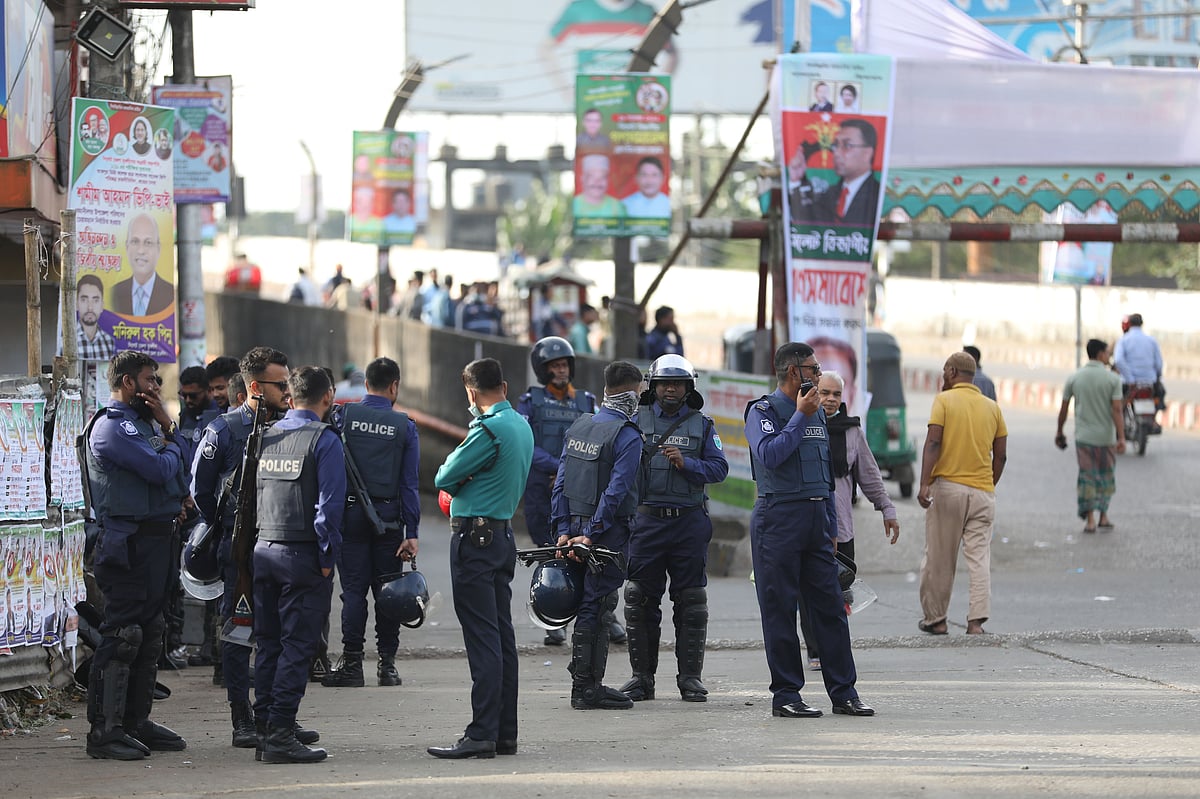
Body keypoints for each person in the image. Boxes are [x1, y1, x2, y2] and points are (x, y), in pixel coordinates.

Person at [190, 347, 319, 750]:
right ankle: (241, 716)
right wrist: (229, 528)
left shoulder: (290, 427)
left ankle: (276, 716)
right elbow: (201, 490)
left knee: (280, 634)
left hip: (279, 544)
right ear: (253, 387)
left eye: (287, 383)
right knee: (238, 632)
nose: (286, 391)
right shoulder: (226, 430)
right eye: (279, 385)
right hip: (240, 546)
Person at [743, 343, 874, 719]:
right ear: (792, 372)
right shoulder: (763, 411)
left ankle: (844, 693)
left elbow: (826, 476)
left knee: (831, 609)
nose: (819, 375)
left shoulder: (816, 413)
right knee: (780, 609)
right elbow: (769, 454)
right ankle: (786, 695)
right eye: (813, 369)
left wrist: (831, 526)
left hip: (817, 521)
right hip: (778, 517)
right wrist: (800, 416)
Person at [83, 351, 189, 760]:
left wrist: (168, 433)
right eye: (150, 380)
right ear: (128, 383)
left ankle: (134, 721)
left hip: (157, 540)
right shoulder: (114, 428)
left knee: (150, 632)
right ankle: (104, 731)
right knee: (123, 634)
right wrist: (169, 443)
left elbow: (178, 475)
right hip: (128, 542)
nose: (157, 388)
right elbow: (162, 470)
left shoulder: (147, 425)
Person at [429, 358, 533, 759]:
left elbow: (443, 477)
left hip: (476, 539)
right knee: (502, 637)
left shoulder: (487, 429)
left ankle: (481, 733)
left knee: (483, 639)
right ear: (503, 387)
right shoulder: (521, 425)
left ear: (471, 393)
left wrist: (464, 480)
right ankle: (504, 732)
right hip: (502, 534)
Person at [621, 355, 728, 704]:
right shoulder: (634, 421)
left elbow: (719, 469)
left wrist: (688, 464)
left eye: (678, 383)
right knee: (639, 599)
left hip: (688, 522)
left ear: (688, 388)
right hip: (647, 522)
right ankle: (641, 679)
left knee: (692, 601)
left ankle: (690, 680)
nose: (671, 389)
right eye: (665, 383)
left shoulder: (703, 425)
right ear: (652, 386)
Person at [252, 366, 344, 763]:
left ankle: (268, 727)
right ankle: (279, 735)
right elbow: (329, 509)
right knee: (298, 648)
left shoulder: (267, 435)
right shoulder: (325, 441)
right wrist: (327, 560)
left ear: (290, 395)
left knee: (269, 644)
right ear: (328, 397)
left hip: (264, 550)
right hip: (302, 556)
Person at [551, 360, 645, 711]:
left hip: (575, 526)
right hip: (605, 532)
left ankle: (583, 680)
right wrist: (592, 535)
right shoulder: (627, 435)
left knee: (585, 604)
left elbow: (561, 481)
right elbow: (617, 492)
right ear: (630, 395)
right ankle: (588, 687)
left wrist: (564, 530)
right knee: (599, 604)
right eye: (638, 393)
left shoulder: (581, 425)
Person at [322, 358, 421, 688]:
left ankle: (352, 664)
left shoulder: (342, 417)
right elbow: (409, 484)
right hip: (389, 522)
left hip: (348, 519)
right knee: (389, 592)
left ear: (366, 385)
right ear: (394, 386)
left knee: (353, 593)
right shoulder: (404, 426)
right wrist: (413, 532)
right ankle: (387, 666)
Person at [800, 371, 899, 669]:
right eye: (825, 392)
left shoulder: (852, 431)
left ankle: (834, 645)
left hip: (840, 528)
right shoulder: (799, 424)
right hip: (805, 524)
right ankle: (816, 649)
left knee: (838, 591)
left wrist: (887, 508)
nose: (830, 399)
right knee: (806, 593)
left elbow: (869, 476)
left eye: (836, 395)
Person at [916, 352, 1007, 636]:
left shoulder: (943, 401)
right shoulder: (993, 408)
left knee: (940, 558)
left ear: (954, 372)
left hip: (949, 490)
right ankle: (976, 622)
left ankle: (937, 620)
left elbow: (933, 442)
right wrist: (987, 484)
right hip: (983, 492)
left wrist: (924, 484)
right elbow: (1001, 456)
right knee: (979, 558)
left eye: (945, 372)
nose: (943, 377)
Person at [517, 337, 598, 646]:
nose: (562, 371)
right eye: (555, 366)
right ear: (543, 370)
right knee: (551, 551)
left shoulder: (586, 401)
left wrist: (568, 472)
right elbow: (525, 444)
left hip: (578, 489)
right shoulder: (530, 401)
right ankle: (553, 618)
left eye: (565, 365)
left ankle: (599, 616)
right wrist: (557, 467)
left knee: (586, 552)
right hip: (542, 489)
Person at [1056, 339, 1125, 533]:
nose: (1109, 356)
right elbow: (1117, 410)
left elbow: (1063, 409)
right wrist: (1121, 438)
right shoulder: (1113, 379)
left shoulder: (1075, 377)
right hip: (1106, 438)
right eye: (1107, 353)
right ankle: (1103, 516)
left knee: (1087, 477)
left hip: (1084, 438)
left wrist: (1059, 431)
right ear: (1101, 354)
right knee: (1105, 477)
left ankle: (1090, 520)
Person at [790, 119, 881, 228]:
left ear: (867, 153)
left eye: (847, 145)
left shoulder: (879, 196)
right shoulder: (828, 194)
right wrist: (796, 180)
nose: (836, 153)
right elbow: (807, 227)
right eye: (836, 145)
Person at [110, 215, 174, 317]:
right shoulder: (116, 292)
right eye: (135, 241)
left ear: (158, 249)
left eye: (148, 243)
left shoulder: (170, 294)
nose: (141, 250)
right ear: (127, 247)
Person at [1113, 313, 1165, 421]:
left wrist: (1129, 378)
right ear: (1142, 324)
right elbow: (1159, 363)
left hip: (1129, 382)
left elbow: (1118, 360)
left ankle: (1118, 425)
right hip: (1149, 381)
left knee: (1117, 403)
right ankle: (1154, 420)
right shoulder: (1151, 340)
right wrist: (1156, 376)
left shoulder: (1123, 340)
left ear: (1129, 324)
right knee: (1160, 395)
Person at [808, 336, 859, 414]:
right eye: (824, 393)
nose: (831, 399)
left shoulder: (853, 426)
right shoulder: (794, 423)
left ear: (852, 394)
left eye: (837, 393)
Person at [75, 274, 115, 362]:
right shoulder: (66, 342)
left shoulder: (109, 341)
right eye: (84, 300)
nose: (90, 307)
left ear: (102, 305)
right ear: (76, 304)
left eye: (95, 300)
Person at [573, 154, 624, 218]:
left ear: (608, 180)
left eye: (602, 177)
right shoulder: (573, 205)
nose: (597, 182)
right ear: (582, 179)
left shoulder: (617, 207)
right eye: (591, 177)